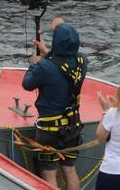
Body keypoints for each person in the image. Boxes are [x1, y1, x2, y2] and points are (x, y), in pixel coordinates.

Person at [22, 17, 88, 190]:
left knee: (49, 173)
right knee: (70, 170)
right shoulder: (82, 61)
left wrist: (35, 63)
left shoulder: (45, 67)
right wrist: (47, 54)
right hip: (73, 125)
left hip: (50, 129)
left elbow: (27, 84)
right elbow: (63, 62)